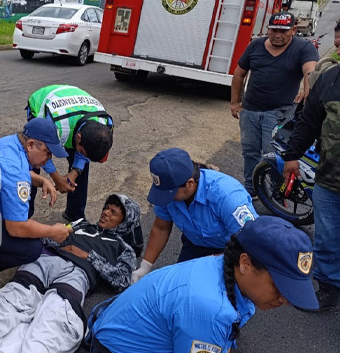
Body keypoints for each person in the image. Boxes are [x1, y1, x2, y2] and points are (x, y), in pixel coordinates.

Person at [0, 194, 142, 353]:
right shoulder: (81, 224)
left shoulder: (123, 248)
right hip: (47, 259)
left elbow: (123, 280)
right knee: (13, 299)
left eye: (114, 212)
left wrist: (88, 256)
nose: (105, 212)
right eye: (106, 208)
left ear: (125, 222)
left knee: (57, 314)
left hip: (78, 272)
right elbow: (49, 236)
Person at [86, 216, 319, 353]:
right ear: (246, 263)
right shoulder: (210, 309)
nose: (285, 299)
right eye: (279, 286)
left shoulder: (224, 266)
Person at [131, 148, 257, 283]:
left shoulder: (227, 196)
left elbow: (252, 242)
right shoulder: (168, 192)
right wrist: (145, 266)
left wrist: (211, 262)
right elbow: (161, 227)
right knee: (180, 286)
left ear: (190, 183)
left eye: (170, 193)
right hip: (196, 244)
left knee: (222, 295)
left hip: (233, 249)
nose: (166, 198)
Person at [282, 21, 340, 311]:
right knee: (327, 238)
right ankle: (328, 285)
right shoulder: (330, 80)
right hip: (330, 179)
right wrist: (292, 156)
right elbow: (309, 122)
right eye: (339, 45)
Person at [230, 11, 318, 195]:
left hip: (279, 113)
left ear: (293, 30)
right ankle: (251, 190)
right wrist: (234, 102)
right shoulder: (255, 46)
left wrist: (307, 89)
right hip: (250, 111)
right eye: (274, 30)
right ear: (268, 29)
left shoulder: (303, 48)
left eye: (283, 31)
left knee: (275, 156)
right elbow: (239, 73)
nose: (278, 35)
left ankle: (276, 194)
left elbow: (310, 71)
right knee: (249, 153)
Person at [0, 117, 72, 275]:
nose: (48, 159)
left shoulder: (9, 143)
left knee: (25, 209)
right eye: (47, 153)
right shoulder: (16, 173)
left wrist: (41, 179)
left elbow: (9, 172)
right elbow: (16, 228)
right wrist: (52, 231)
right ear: (30, 145)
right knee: (32, 249)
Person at [26, 84, 114, 222]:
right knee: (32, 163)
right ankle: (24, 215)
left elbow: (84, 156)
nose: (83, 155)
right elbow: (41, 150)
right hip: (44, 103)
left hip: (76, 111)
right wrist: (57, 178)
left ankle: (75, 214)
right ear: (78, 137)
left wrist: (74, 173)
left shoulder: (105, 124)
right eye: (82, 151)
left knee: (81, 170)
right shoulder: (56, 124)